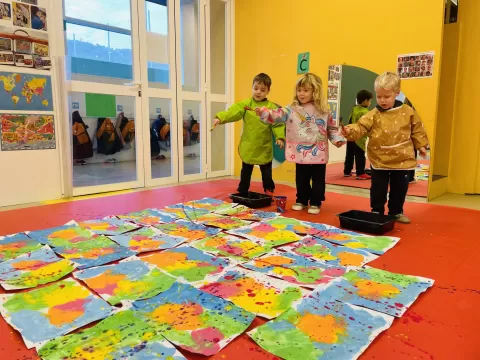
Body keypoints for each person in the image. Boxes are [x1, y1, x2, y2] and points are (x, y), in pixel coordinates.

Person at [251, 73, 345, 215]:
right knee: (301, 178)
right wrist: (265, 113)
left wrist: (337, 139)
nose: (301, 93)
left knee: (318, 179)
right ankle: (301, 199)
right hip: (299, 150)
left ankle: (315, 201)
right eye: (299, 90)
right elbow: (279, 114)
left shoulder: (323, 111)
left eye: (306, 90)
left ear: (315, 91)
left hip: (318, 151)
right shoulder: (292, 108)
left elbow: (331, 127)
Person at [342, 72, 428, 224]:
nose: (382, 100)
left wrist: (421, 145)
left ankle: (396, 211)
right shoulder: (373, 114)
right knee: (378, 189)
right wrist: (350, 130)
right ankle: (377, 210)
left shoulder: (408, 112)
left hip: (402, 160)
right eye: (379, 96)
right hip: (379, 159)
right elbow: (361, 127)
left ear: (397, 93)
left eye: (386, 97)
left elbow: (417, 129)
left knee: (399, 189)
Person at [213, 73, 285, 196]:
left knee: (266, 171)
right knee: (246, 171)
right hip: (249, 145)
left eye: (262, 90)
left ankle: (269, 188)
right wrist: (220, 118)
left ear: (268, 91)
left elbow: (277, 124)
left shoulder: (271, 108)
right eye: (255, 88)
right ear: (252, 87)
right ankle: (242, 189)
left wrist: (279, 137)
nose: (258, 92)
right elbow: (233, 112)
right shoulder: (246, 105)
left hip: (264, 146)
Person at [344, 90, 373, 180]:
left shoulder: (354, 109)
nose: (370, 103)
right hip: (359, 137)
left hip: (350, 136)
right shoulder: (365, 112)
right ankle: (360, 173)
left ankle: (347, 171)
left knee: (349, 154)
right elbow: (366, 125)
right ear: (365, 101)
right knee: (360, 154)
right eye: (370, 100)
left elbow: (349, 120)